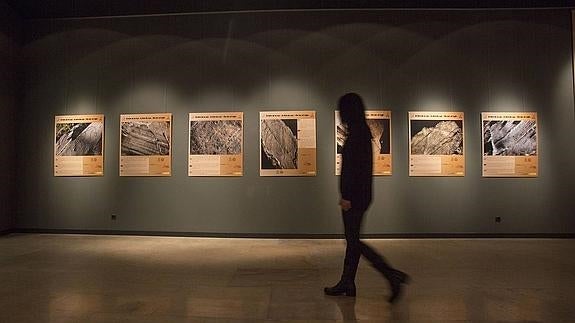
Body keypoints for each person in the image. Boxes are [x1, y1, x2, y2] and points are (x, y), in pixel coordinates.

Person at [324, 93, 409, 303]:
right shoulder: (361, 133)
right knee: (352, 242)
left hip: (354, 198)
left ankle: (391, 275)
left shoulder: (358, 136)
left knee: (354, 242)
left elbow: (355, 171)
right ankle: (347, 282)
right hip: (359, 197)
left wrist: (346, 196)